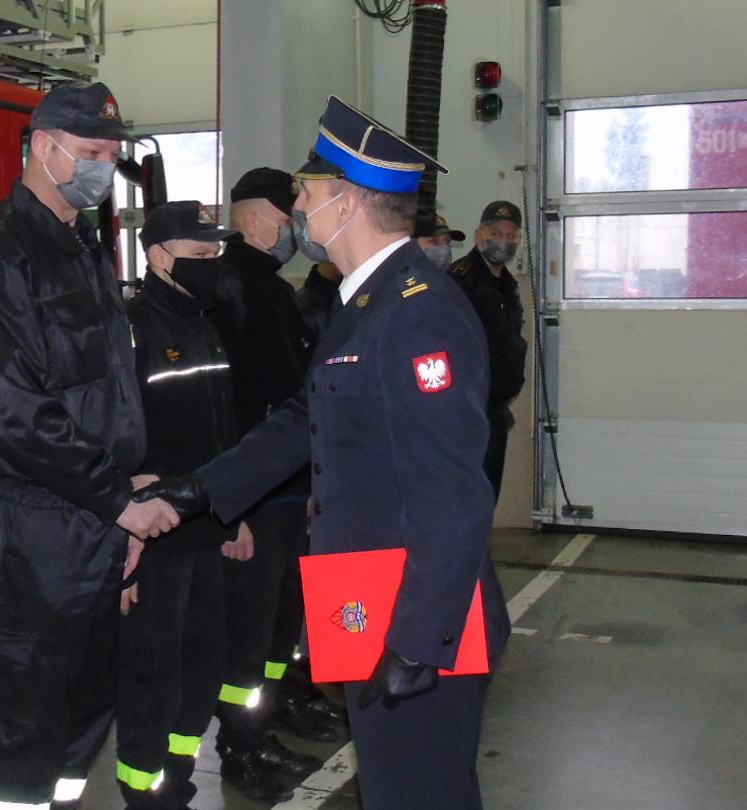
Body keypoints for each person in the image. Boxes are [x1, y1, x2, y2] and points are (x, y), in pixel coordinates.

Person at [137, 97, 510, 810]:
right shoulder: (365, 302)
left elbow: (453, 494)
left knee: (422, 794)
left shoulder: (420, 312)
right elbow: (307, 416)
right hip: (369, 594)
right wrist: (201, 490)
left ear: (349, 202)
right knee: (394, 790)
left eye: (307, 193)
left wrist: (417, 640)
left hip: (417, 612)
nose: (299, 209)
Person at [0, 81, 180, 810]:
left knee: (85, 705)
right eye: (91, 152)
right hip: (35, 527)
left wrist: (124, 498)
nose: (104, 168)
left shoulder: (82, 247)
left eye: (111, 155)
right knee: (31, 711)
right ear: (43, 147)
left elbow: (107, 387)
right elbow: (1, 407)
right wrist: (116, 500)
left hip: (96, 516)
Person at [205, 168, 336, 802]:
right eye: (287, 220)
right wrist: (231, 507)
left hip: (287, 490)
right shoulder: (226, 289)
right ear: (254, 220)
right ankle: (239, 744)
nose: (294, 231)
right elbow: (223, 408)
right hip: (253, 494)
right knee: (249, 632)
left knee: (283, 619)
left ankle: (272, 712)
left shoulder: (275, 291)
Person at [116, 201, 241, 810]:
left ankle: (179, 781)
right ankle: (144, 793)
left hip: (205, 525)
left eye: (214, 253)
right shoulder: (132, 328)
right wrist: (124, 530)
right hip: (155, 531)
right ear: (159, 256)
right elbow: (112, 433)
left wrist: (235, 511)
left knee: (202, 663)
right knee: (152, 670)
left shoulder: (204, 323)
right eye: (199, 254)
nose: (211, 263)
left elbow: (223, 430)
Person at [447, 201, 530, 501]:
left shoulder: (506, 284)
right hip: (466, 412)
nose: (503, 242)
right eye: (495, 233)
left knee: (486, 497)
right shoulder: (461, 280)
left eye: (511, 236)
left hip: (494, 410)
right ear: (478, 235)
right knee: (465, 499)